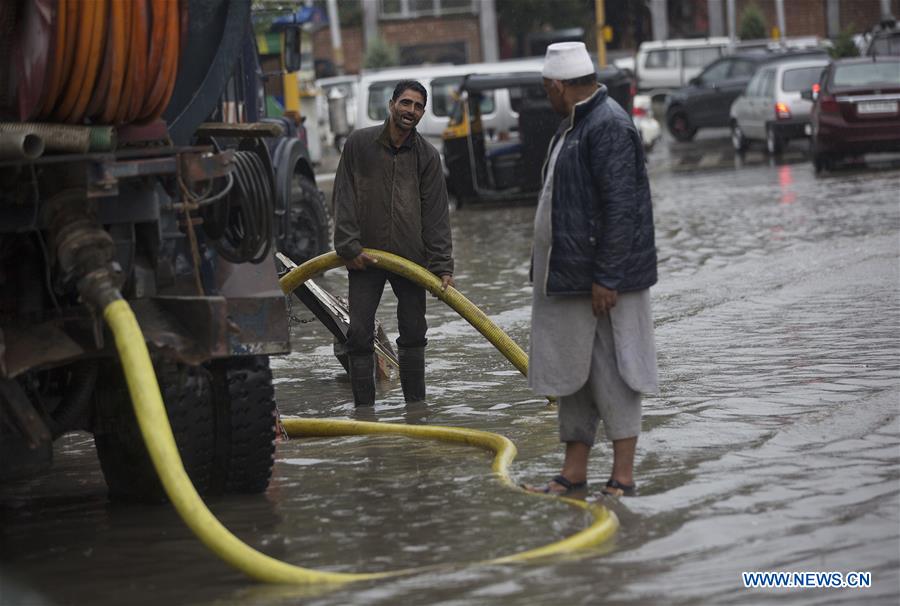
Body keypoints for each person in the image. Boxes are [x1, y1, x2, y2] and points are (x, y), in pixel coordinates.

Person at [526, 42, 659, 497]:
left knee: (617, 374)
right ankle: (573, 473)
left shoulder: (609, 126)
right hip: (571, 281)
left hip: (605, 284)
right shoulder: (574, 126)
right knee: (573, 379)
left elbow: (623, 208)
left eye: (547, 90)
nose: (547, 96)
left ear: (558, 86)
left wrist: (608, 276)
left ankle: (622, 479)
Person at [333, 80, 454, 408]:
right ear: (391, 104)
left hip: (411, 261)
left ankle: (416, 410)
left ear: (423, 113)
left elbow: (436, 216)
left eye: (417, 106)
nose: (410, 111)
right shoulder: (359, 144)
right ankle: (365, 413)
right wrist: (347, 246)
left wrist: (441, 266)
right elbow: (343, 196)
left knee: (414, 331)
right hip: (365, 258)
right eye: (405, 103)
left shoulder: (427, 156)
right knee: (358, 334)